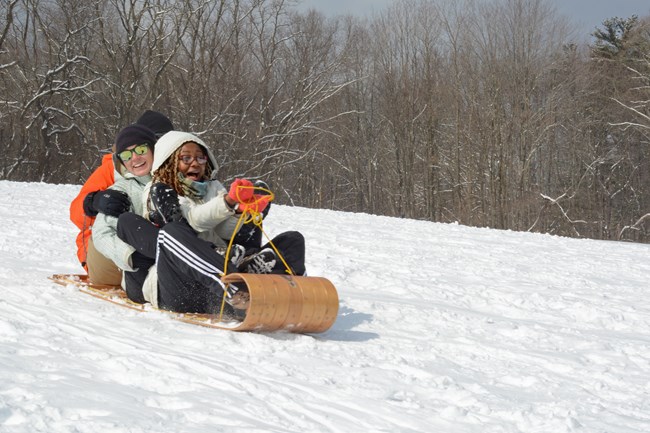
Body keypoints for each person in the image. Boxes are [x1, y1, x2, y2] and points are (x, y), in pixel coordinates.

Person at [115, 131, 306, 314]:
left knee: (293, 240)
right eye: (186, 158)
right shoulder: (157, 190)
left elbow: (224, 230)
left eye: (200, 157)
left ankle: (280, 289)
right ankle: (233, 285)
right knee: (170, 233)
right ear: (169, 161)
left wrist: (242, 213)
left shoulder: (212, 187)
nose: (195, 163)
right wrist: (227, 203)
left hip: (214, 294)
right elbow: (192, 222)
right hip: (180, 288)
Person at [69, 111, 174, 285]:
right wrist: (94, 202)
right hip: (104, 253)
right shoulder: (115, 168)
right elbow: (76, 213)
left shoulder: (171, 168)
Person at [91, 124, 160, 302]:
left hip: (174, 265)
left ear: (154, 149)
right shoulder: (123, 189)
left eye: (141, 149)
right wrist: (128, 256)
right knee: (129, 221)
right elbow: (101, 233)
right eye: (127, 155)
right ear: (122, 162)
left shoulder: (175, 180)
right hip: (140, 274)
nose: (135, 158)